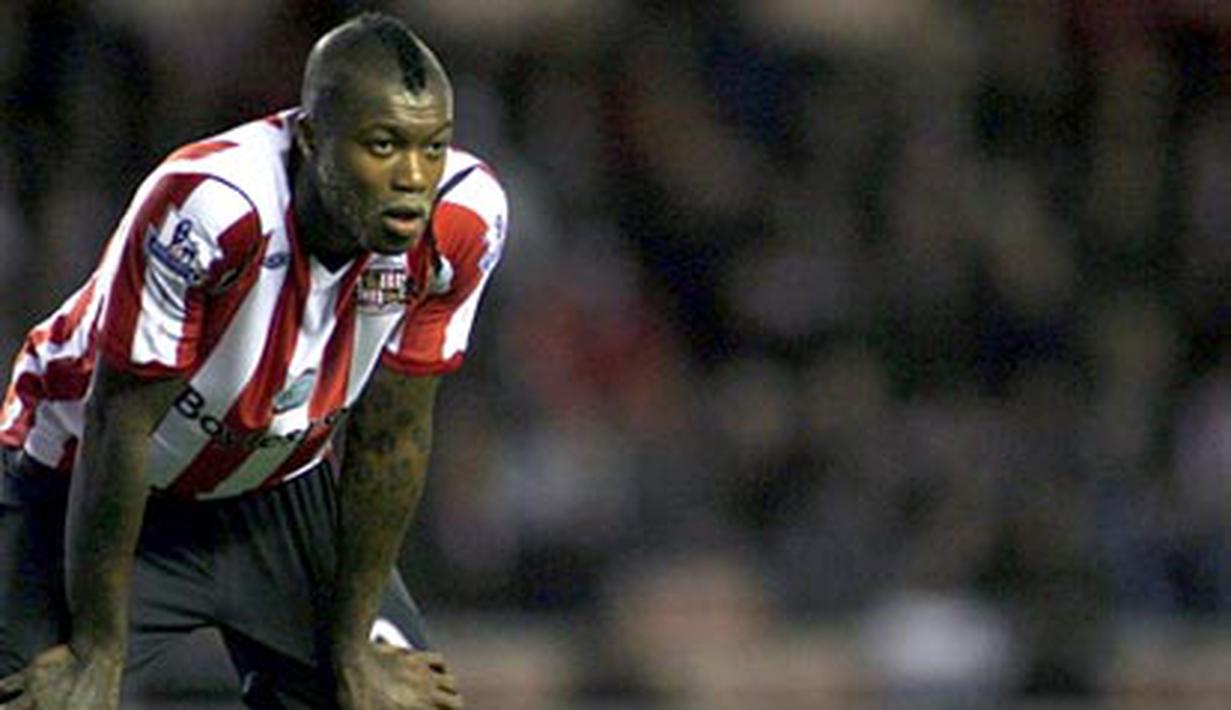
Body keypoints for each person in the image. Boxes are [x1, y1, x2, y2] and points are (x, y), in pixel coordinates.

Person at [0, 10, 506, 709]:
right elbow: (120, 424)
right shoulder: (213, 206)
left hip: (275, 491)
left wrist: (353, 645)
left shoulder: (466, 219)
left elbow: (392, 436)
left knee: (394, 701)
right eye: (384, 145)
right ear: (309, 137)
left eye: (433, 148)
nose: (412, 178)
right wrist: (97, 649)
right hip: (83, 479)